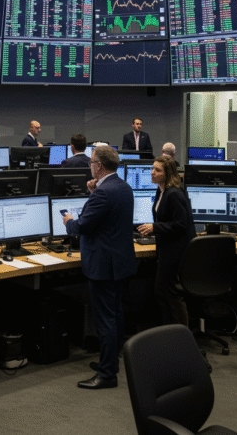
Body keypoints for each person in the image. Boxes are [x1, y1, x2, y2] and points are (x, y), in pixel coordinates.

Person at [62, 145, 137, 389]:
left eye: (92, 162)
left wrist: (68, 221)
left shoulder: (103, 194)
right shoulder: (124, 187)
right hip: (120, 263)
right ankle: (111, 362)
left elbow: (83, 226)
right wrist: (94, 192)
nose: (89, 165)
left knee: (105, 320)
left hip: (104, 265)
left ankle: (107, 375)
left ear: (99, 166)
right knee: (115, 315)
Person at [137, 155, 196, 327]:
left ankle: (182, 337)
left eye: (157, 170)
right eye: (152, 168)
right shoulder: (161, 190)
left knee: (170, 294)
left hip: (176, 250)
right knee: (161, 292)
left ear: (167, 174)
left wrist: (155, 227)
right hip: (167, 248)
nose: (152, 172)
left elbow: (180, 225)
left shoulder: (174, 194)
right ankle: (170, 332)